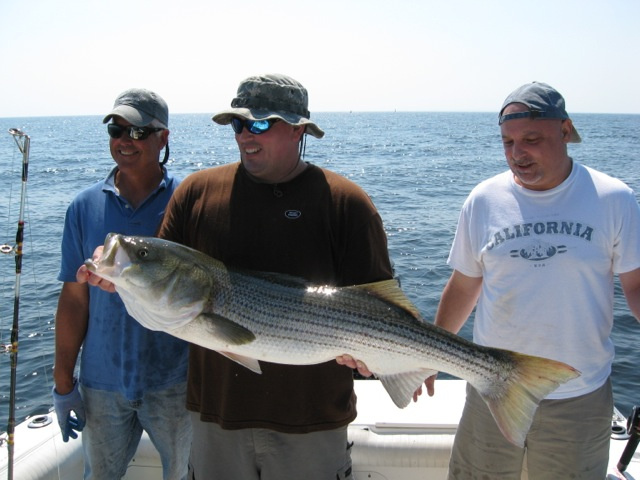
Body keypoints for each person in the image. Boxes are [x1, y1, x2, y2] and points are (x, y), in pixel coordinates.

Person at [82, 73, 393, 479]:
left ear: (299, 129)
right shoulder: (196, 192)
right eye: (238, 123)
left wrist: (383, 359)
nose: (246, 134)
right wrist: (120, 279)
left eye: (261, 123)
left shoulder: (344, 201)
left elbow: (381, 304)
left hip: (312, 421)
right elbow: (162, 280)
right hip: (217, 418)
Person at [427, 82, 640, 479]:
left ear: (564, 131)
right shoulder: (484, 199)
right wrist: (430, 356)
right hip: (491, 388)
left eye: (531, 139)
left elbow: (636, 286)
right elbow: (463, 285)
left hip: (578, 395)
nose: (517, 153)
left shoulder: (614, 199)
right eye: (507, 142)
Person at [53, 88, 191, 480]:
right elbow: (75, 300)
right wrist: (64, 383)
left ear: (163, 137)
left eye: (138, 132)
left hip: (175, 382)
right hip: (101, 384)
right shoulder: (83, 206)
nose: (124, 141)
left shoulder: (188, 200)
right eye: (116, 130)